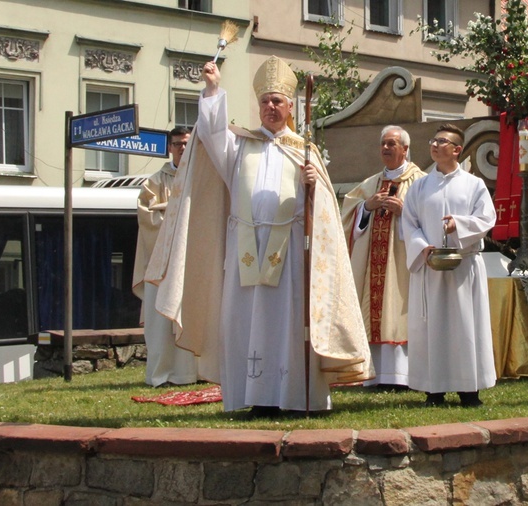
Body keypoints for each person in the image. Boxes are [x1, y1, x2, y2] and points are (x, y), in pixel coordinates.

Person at [145, 56, 373, 417]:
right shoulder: (239, 147)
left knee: (288, 323)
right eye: (265, 101)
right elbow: (212, 134)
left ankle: (295, 396)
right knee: (244, 322)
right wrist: (213, 89)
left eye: (277, 101)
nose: (270, 107)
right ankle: (257, 397)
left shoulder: (306, 151)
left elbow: (326, 210)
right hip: (244, 251)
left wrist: (315, 187)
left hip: (292, 251)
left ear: (289, 107)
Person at [401, 123, 497, 407]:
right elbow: (409, 223)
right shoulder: (419, 186)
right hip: (430, 267)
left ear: (457, 150)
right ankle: (434, 390)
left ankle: (469, 390)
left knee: (466, 327)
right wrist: (422, 248)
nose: (435, 144)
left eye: (442, 141)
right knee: (432, 329)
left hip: (463, 268)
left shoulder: (474, 184)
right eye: (433, 140)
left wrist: (459, 225)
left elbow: (486, 219)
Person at [341, 125, 424, 389]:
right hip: (372, 265)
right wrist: (367, 207)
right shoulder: (371, 183)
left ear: (405, 149)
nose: (386, 148)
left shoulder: (420, 182)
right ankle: (375, 375)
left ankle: (402, 375)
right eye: (383, 144)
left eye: (392, 144)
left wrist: (404, 212)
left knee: (397, 312)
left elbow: (432, 220)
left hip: (403, 267)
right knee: (375, 312)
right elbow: (347, 215)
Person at [132, 126, 198, 387]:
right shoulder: (155, 182)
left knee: (192, 317)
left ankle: (191, 373)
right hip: (161, 266)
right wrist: (177, 214)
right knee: (161, 324)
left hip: (191, 261)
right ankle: (161, 373)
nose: (182, 148)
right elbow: (148, 217)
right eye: (178, 144)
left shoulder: (201, 177)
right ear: (169, 147)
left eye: (187, 144)